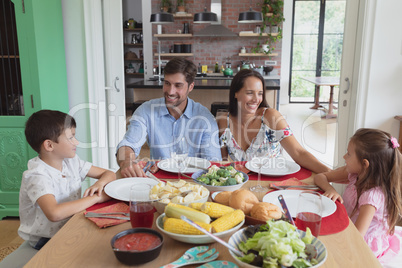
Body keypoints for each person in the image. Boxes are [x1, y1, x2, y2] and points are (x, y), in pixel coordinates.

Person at [18, 110, 115, 250]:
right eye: (71, 138)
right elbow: (54, 213)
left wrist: (100, 184)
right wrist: (97, 198)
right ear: (49, 145)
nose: (76, 142)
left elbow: (109, 174)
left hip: (69, 224)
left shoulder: (71, 162)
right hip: (45, 239)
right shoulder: (36, 175)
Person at [117, 57, 222, 178]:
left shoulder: (205, 119)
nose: (170, 91)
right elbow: (129, 143)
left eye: (178, 85)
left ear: (191, 87)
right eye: (167, 83)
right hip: (157, 181)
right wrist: (126, 161)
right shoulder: (146, 111)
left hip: (195, 182)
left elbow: (213, 163)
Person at [314, 128, 402, 267]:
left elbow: (357, 237)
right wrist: (331, 189)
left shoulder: (371, 197)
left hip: (362, 244)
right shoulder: (355, 174)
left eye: (349, 154)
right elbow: (320, 177)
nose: (344, 157)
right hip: (347, 228)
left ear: (365, 164)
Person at [218, 69, 330, 174]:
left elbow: (298, 153)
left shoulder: (271, 117)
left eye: (260, 93)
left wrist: (331, 174)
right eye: (250, 93)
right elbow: (223, 164)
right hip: (243, 184)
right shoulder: (223, 122)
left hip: (274, 181)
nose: (256, 99)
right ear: (235, 93)